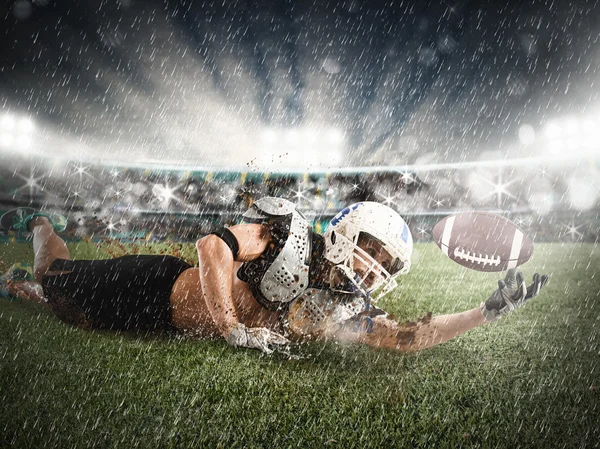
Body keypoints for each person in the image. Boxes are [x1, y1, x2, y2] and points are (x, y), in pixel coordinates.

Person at [0, 198, 549, 354]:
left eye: (387, 267)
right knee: (55, 283)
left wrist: (484, 313)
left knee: (72, 316)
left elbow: (405, 338)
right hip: (152, 287)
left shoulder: (344, 305)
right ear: (348, 231)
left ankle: (24, 280)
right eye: (374, 254)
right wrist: (231, 326)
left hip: (163, 329)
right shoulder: (288, 237)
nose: (374, 270)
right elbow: (212, 246)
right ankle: (43, 228)